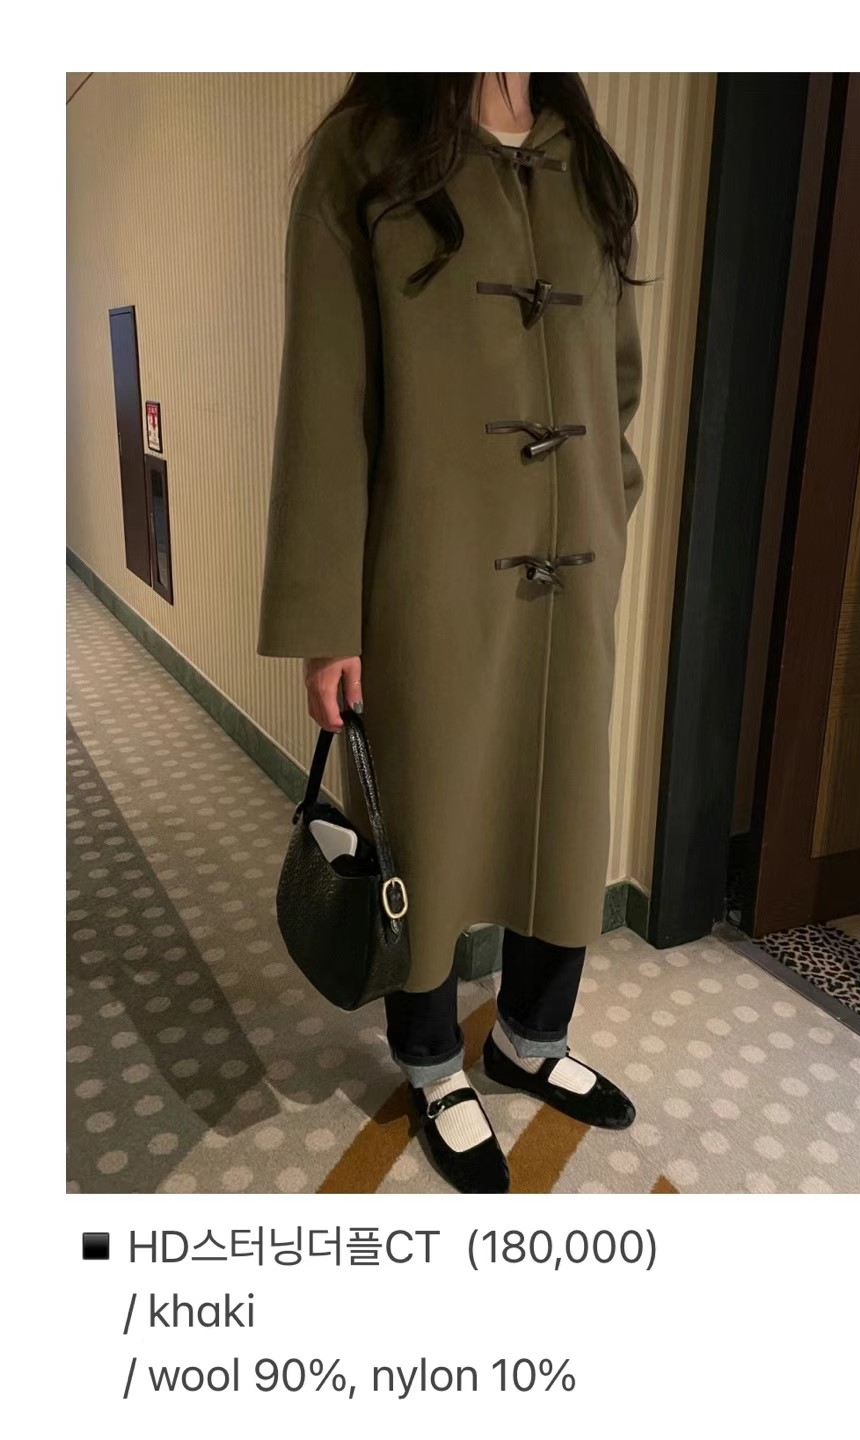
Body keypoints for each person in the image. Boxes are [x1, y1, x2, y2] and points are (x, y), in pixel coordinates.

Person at [258, 73, 646, 1193]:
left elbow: (617, 375)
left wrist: (606, 502)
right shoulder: (364, 155)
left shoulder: (588, 163)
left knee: (564, 811)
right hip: (421, 569)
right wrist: (327, 619)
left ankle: (532, 1038)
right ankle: (433, 1061)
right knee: (421, 820)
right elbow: (326, 400)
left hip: (573, 572)